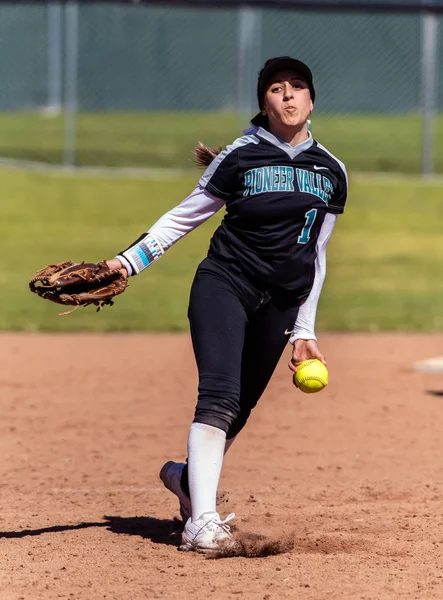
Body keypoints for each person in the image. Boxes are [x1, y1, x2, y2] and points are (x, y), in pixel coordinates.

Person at [106, 56, 348, 553]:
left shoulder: (331, 172)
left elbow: (315, 256)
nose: (287, 96)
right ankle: (202, 522)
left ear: (311, 97)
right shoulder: (241, 155)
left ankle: (185, 481)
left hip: (281, 303)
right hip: (226, 284)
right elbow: (183, 217)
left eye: (297, 86)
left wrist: (305, 331)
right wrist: (127, 262)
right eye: (276, 88)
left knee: (238, 409)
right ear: (264, 101)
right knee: (218, 395)